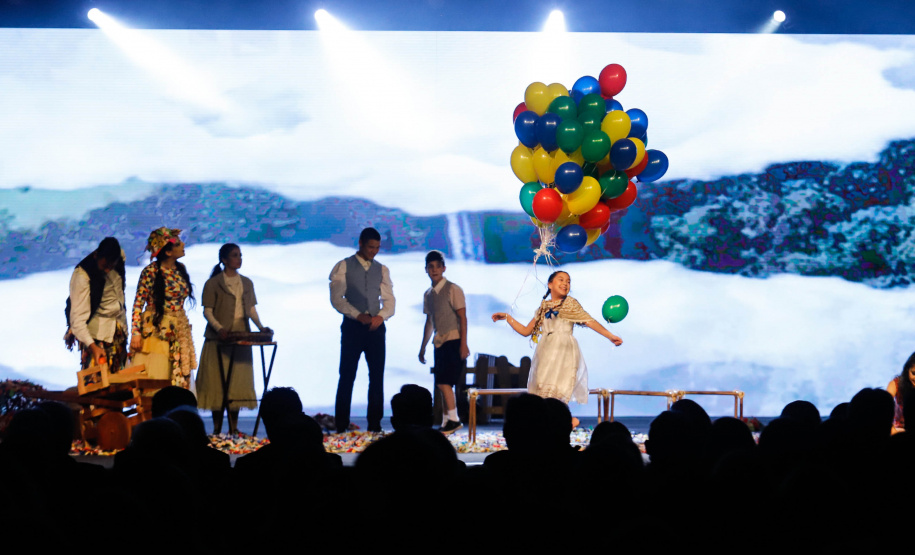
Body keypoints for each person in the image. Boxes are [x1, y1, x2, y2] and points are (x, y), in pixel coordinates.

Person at [491, 270, 622, 409]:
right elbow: (526, 331)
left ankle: (563, 421)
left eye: (568, 281)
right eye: (561, 279)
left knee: (558, 392)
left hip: (563, 350)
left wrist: (610, 336)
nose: (565, 283)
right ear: (550, 284)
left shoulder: (570, 304)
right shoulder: (543, 307)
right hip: (545, 351)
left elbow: (589, 321)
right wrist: (507, 317)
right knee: (542, 393)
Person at [196, 243, 269, 434]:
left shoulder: (246, 283)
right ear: (225, 259)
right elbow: (208, 311)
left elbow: (251, 309)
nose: (239, 259)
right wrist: (219, 328)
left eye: (240, 255)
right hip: (219, 337)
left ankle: (234, 427)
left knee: (237, 380)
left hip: (241, 333)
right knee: (217, 383)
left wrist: (261, 327)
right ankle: (217, 428)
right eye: (235, 255)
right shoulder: (213, 283)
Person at [329, 227, 395, 433]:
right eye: (370, 247)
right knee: (347, 375)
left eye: (377, 248)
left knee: (376, 376)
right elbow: (336, 299)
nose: (374, 251)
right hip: (353, 327)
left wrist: (380, 317)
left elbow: (389, 300)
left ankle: (374, 425)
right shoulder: (344, 266)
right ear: (360, 243)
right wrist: (357, 315)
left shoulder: (382, 269)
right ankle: (341, 424)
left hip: (376, 328)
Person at [130, 227, 196, 388]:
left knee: (177, 374)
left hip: (178, 327)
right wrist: (136, 333)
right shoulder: (150, 272)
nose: (183, 245)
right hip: (157, 328)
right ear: (167, 252)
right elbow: (138, 303)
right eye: (178, 243)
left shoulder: (180, 269)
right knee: (157, 374)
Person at [418, 250, 469, 434]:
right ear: (426, 269)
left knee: (444, 382)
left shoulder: (453, 289)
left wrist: (464, 343)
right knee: (441, 382)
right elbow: (430, 321)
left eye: (438, 266)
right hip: (439, 342)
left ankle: (454, 420)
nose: (434, 270)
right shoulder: (429, 294)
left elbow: (462, 317)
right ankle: (446, 422)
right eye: (430, 267)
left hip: (453, 340)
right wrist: (423, 347)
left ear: (444, 268)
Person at [65, 237, 128, 372]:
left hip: (118, 329)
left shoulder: (120, 257)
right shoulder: (82, 275)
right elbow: (78, 319)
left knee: (121, 383)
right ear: (96, 256)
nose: (107, 271)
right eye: (104, 266)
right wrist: (93, 346)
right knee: (97, 383)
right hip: (96, 334)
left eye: (110, 267)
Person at [886, 351, 915, 434]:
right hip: (899, 430)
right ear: (907, 370)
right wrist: (893, 430)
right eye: (913, 373)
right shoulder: (896, 384)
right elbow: (884, 406)